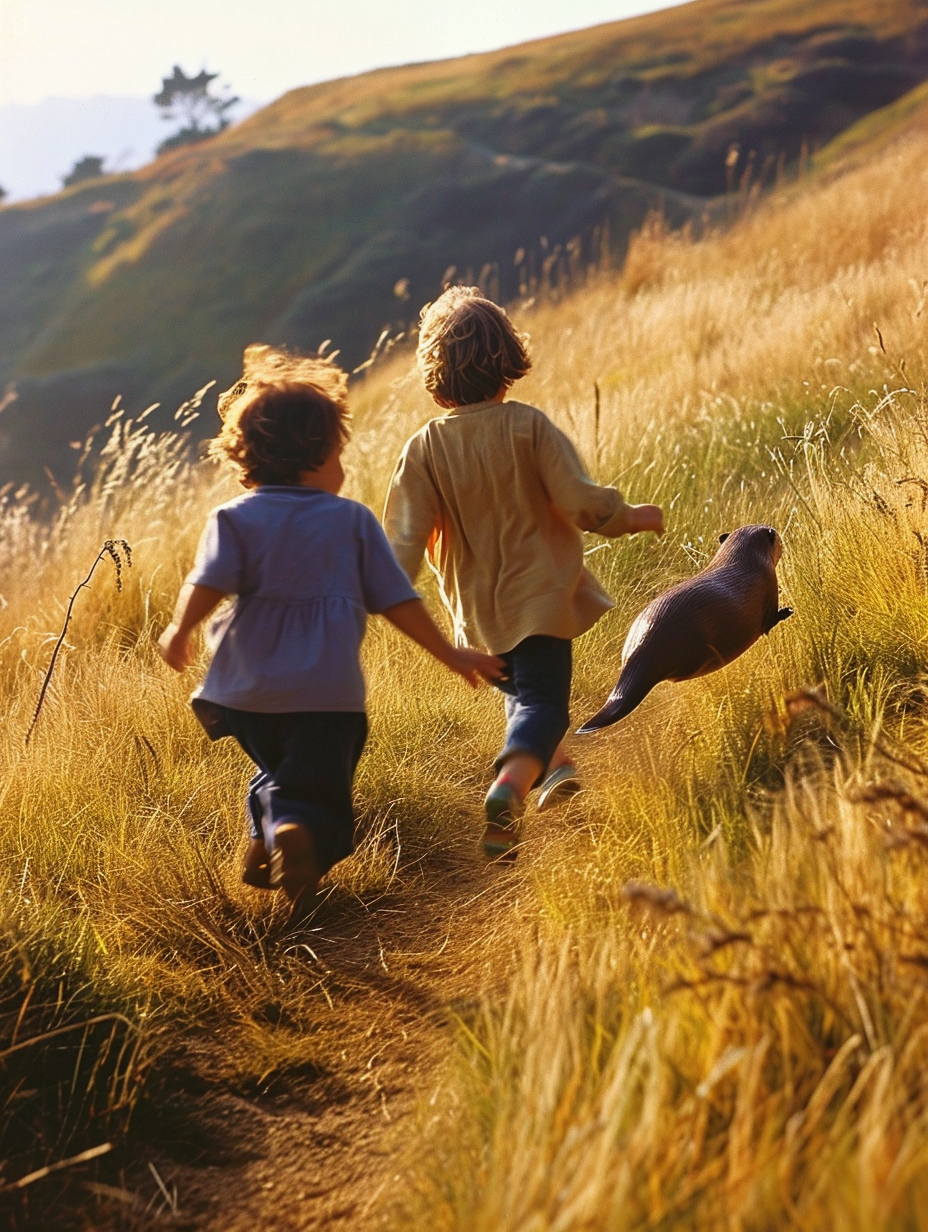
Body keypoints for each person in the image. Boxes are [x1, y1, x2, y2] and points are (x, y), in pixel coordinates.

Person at [159, 344, 503, 924]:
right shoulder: (351, 521)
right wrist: (449, 651)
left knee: (278, 771)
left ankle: (265, 833)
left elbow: (206, 582)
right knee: (320, 799)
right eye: (339, 453)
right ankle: (291, 836)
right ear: (319, 455)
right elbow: (397, 600)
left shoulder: (233, 518)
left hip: (244, 694)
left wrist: (179, 628)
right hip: (325, 695)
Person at [384, 287, 664, 858]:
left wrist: (380, 585)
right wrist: (628, 517)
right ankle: (510, 785)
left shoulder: (422, 449)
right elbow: (579, 501)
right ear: (507, 361)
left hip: (476, 621)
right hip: (537, 601)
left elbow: (404, 539)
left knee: (523, 698)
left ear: (435, 375)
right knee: (544, 704)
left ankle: (554, 770)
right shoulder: (528, 428)